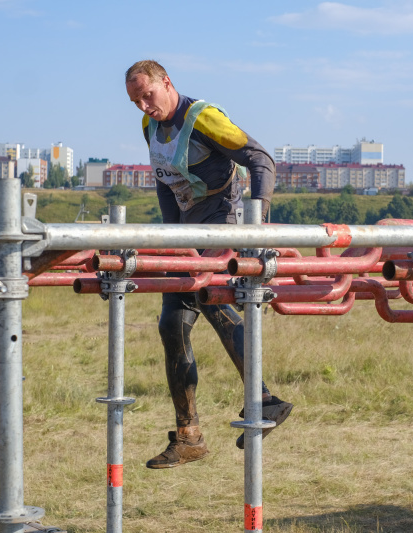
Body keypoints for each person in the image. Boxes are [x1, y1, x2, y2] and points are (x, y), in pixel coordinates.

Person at [125, 60, 293, 468]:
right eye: (135, 101)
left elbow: (262, 160)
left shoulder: (204, 118)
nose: (145, 106)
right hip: (188, 228)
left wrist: (258, 229)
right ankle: (189, 437)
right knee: (171, 323)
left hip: (222, 217)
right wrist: (171, 241)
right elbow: (167, 187)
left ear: (167, 83)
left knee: (209, 296)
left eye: (148, 94)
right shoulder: (151, 128)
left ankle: (265, 399)